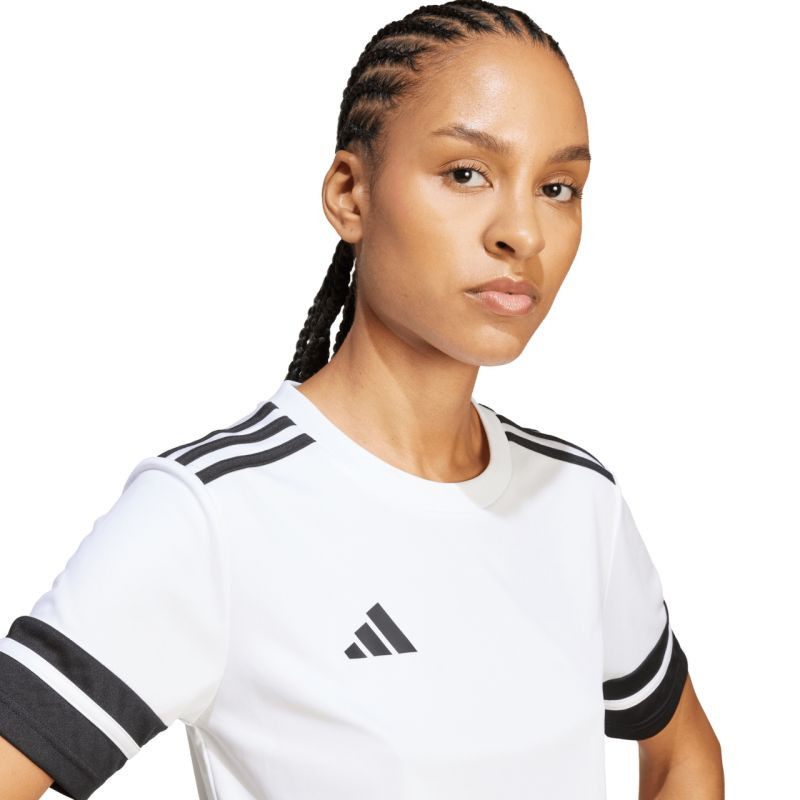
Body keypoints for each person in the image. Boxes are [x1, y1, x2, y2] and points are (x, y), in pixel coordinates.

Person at [0, 1, 724, 798]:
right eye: (466, 173)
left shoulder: (579, 501)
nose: (523, 232)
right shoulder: (214, 517)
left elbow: (683, 755)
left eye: (558, 187)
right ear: (350, 194)